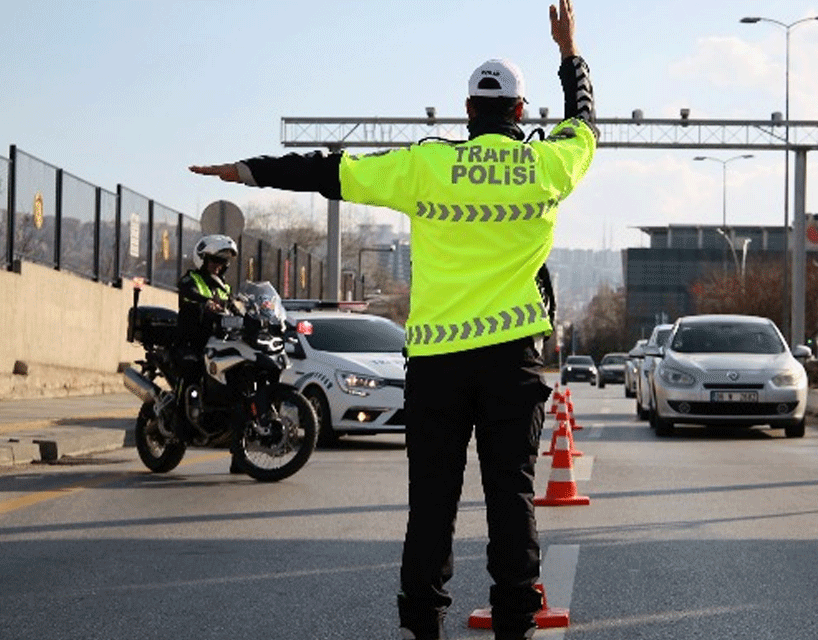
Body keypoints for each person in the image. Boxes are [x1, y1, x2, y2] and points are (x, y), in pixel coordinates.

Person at [189, 2, 595, 637]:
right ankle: (516, 626)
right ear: (520, 113)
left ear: (467, 112)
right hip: (512, 361)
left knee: (431, 506)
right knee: (510, 502)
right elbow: (583, 123)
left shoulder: (425, 165)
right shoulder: (547, 166)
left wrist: (248, 171)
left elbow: (329, 170)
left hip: (436, 368)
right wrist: (570, 52)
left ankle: (422, 627)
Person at [174, 234, 239, 440]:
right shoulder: (191, 279)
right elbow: (187, 291)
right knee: (191, 370)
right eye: (214, 260)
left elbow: (235, 306)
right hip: (192, 342)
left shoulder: (224, 287)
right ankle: (179, 422)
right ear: (202, 259)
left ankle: (238, 449)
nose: (218, 266)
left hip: (218, 344)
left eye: (222, 262)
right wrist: (206, 301)